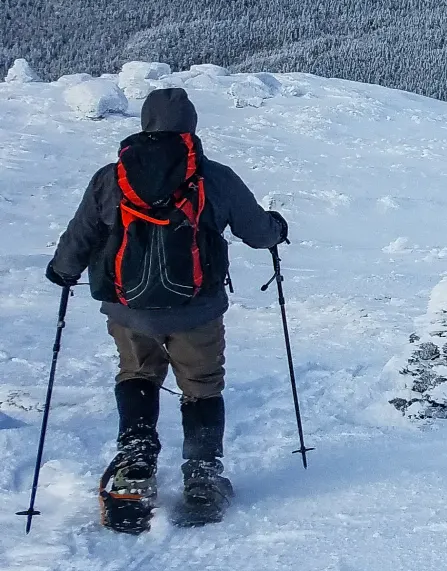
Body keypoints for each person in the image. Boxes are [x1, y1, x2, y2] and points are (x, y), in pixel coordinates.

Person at [45, 86, 288, 527]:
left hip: (128, 309)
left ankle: (134, 468)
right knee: (202, 385)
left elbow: (81, 235)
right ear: (191, 127)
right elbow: (256, 232)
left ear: (144, 123)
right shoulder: (214, 177)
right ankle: (202, 477)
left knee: (137, 375)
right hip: (197, 308)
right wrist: (277, 229)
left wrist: (63, 271)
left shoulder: (111, 178)